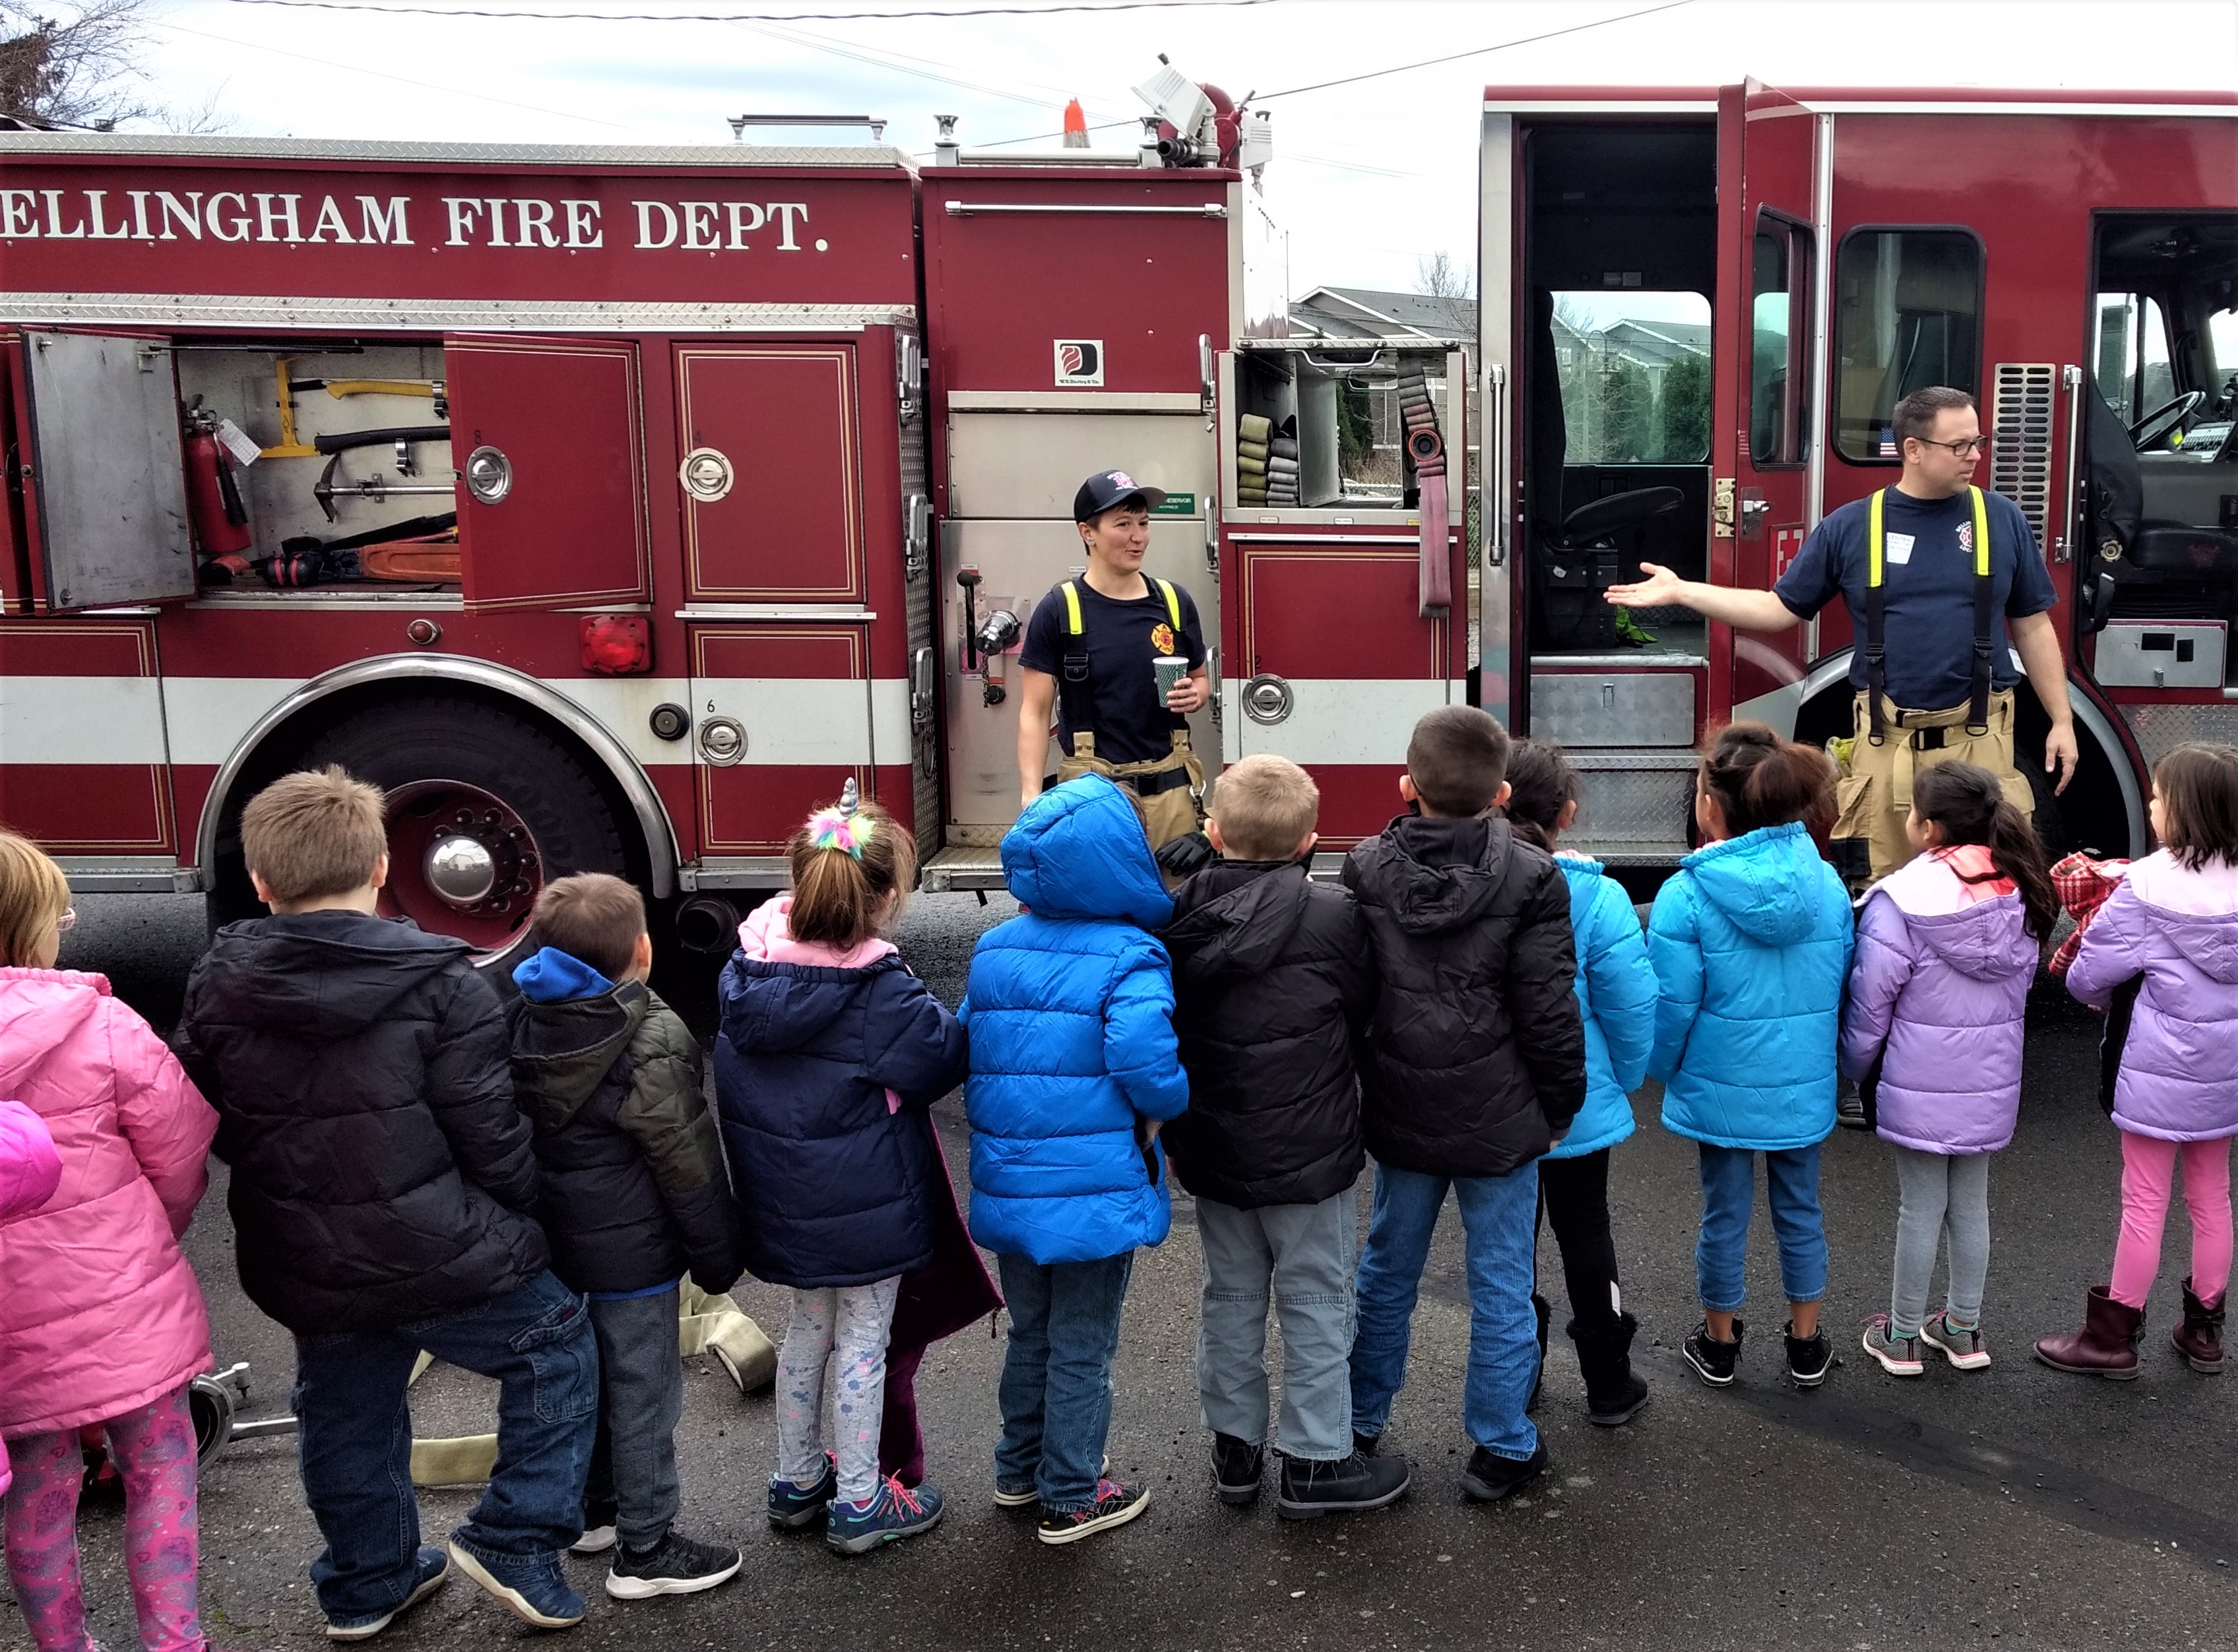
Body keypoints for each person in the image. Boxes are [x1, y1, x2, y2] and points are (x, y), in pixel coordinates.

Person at [175, 767, 599, 1637]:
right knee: (554, 1346)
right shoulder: (448, 985)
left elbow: (212, 1112)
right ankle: (518, 1534)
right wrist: (525, 1220)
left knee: (344, 1404)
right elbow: (491, 1135)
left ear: (259, 882)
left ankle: (368, 1580)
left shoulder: (218, 982)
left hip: (306, 1255)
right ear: (379, 868)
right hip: (442, 1245)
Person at [1607, 385, 2076, 887]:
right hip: (1883, 745)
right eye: (1959, 445)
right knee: (1881, 898)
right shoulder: (1851, 527)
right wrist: (1683, 591)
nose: (1976, 456)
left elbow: (2032, 623)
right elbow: (1776, 609)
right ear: (1912, 450)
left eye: (1978, 441)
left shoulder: (2000, 519)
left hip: (1979, 746)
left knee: (1989, 893)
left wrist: (2061, 720)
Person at [1343, 707, 1586, 1504]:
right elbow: (1547, 1008)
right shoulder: (1532, 875)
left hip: (1401, 1106)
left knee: (1386, 1270)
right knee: (1502, 1277)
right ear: (1502, 792)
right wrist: (1559, 1105)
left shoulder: (1366, 866)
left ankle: (1356, 1420)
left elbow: (1351, 997)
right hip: (1502, 1112)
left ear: (1405, 785)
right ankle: (1502, 1441)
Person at [716, 793, 969, 1554]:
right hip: (865, 1202)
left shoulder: (745, 968)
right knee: (863, 1339)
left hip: (781, 1198)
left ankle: (796, 1478)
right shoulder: (878, 988)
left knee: (807, 1327)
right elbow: (939, 1058)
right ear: (886, 898)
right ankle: (860, 1498)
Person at [1161, 754, 1409, 1519]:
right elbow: (1366, 1011)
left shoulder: (1173, 914)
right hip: (1311, 1150)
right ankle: (1314, 1457)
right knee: (1314, 1300)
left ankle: (1234, 1447)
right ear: (1310, 840)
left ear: (1211, 830)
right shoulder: (1335, 918)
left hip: (1212, 1145)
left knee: (1229, 1295)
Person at [0, 832, 226, 1652]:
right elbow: (178, 1144)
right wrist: (154, 1230)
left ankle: (62, 1645)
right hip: (121, 1299)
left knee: (37, 1485)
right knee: (161, 1467)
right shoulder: (98, 1020)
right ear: (35, 927)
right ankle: (174, 1640)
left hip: (9, 1331)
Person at [961, 775, 1188, 1544]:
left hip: (1014, 1182)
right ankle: (1070, 1491)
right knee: (1085, 1343)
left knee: (1032, 1329)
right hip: (1092, 1189)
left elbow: (970, 1041)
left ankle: (1016, 1469)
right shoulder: (1131, 951)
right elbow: (1143, 1054)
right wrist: (1168, 1103)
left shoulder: (992, 948)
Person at [507, 873, 746, 1597]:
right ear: (642, 949)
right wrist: (718, 1256)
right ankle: (645, 1548)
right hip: (633, 1258)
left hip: (554, 1250)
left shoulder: (516, 1018)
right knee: (643, 1394)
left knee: (587, 1384)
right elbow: (687, 1162)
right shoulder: (651, 1033)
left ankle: (593, 1511)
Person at [1649, 725, 1854, 1390]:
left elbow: (1671, 1006)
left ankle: (1718, 1343)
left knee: (1723, 1212)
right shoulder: (1824, 883)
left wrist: (1663, 1067)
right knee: (1800, 1206)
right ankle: (1804, 1340)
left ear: (1710, 804)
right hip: (1800, 1081)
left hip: (1721, 1082)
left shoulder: (1686, 893)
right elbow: (1839, 980)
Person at [1841, 762, 2054, 1377]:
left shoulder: (1900, 901)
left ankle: (1903, 1335)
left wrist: (1856, 1070)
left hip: (1916, 1081)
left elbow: (1870, 1003)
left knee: (1919, 1206)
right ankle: (1962, 1328)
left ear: (1928, 828)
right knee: (1972, 1206)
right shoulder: (2020, 890)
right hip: (1990, 1085)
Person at [2035, 742, 2238, 1380]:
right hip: (2225, 1074)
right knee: (2213, 1195)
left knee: (2145, 1201)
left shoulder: (2145, 887)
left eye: (2157, 798)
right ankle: (2204, 1329)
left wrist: (2111, 1000)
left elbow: (2086, 976)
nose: (2150, 806)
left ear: (2181, 814)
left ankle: (2113, 1336)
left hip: (2152, 1071)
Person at [1500, 740, 1658, 1426]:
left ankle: (1514, 1379)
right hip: (1578, 1098)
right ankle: (1607, 1381)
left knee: (1508, 1243)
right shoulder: (1599, 894)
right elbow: (1629, 1002)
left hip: (1491, 1100)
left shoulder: (1475, 879)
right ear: (1567, 812)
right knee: (1585, 1230)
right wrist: (1621, 1077)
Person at [1015, 469, 1211, 852]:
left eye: (1143, 523)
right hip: (1092, 800)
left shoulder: (1174, 602)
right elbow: (1034, 713)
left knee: (1173, 908)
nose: (1138, 536)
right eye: (1123, 524)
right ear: (1087, 533)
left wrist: (1197, 694)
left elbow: (1200, 679)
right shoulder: (1060, 609)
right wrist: (1030, 797)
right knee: (1095, 908)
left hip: (1170, 793)